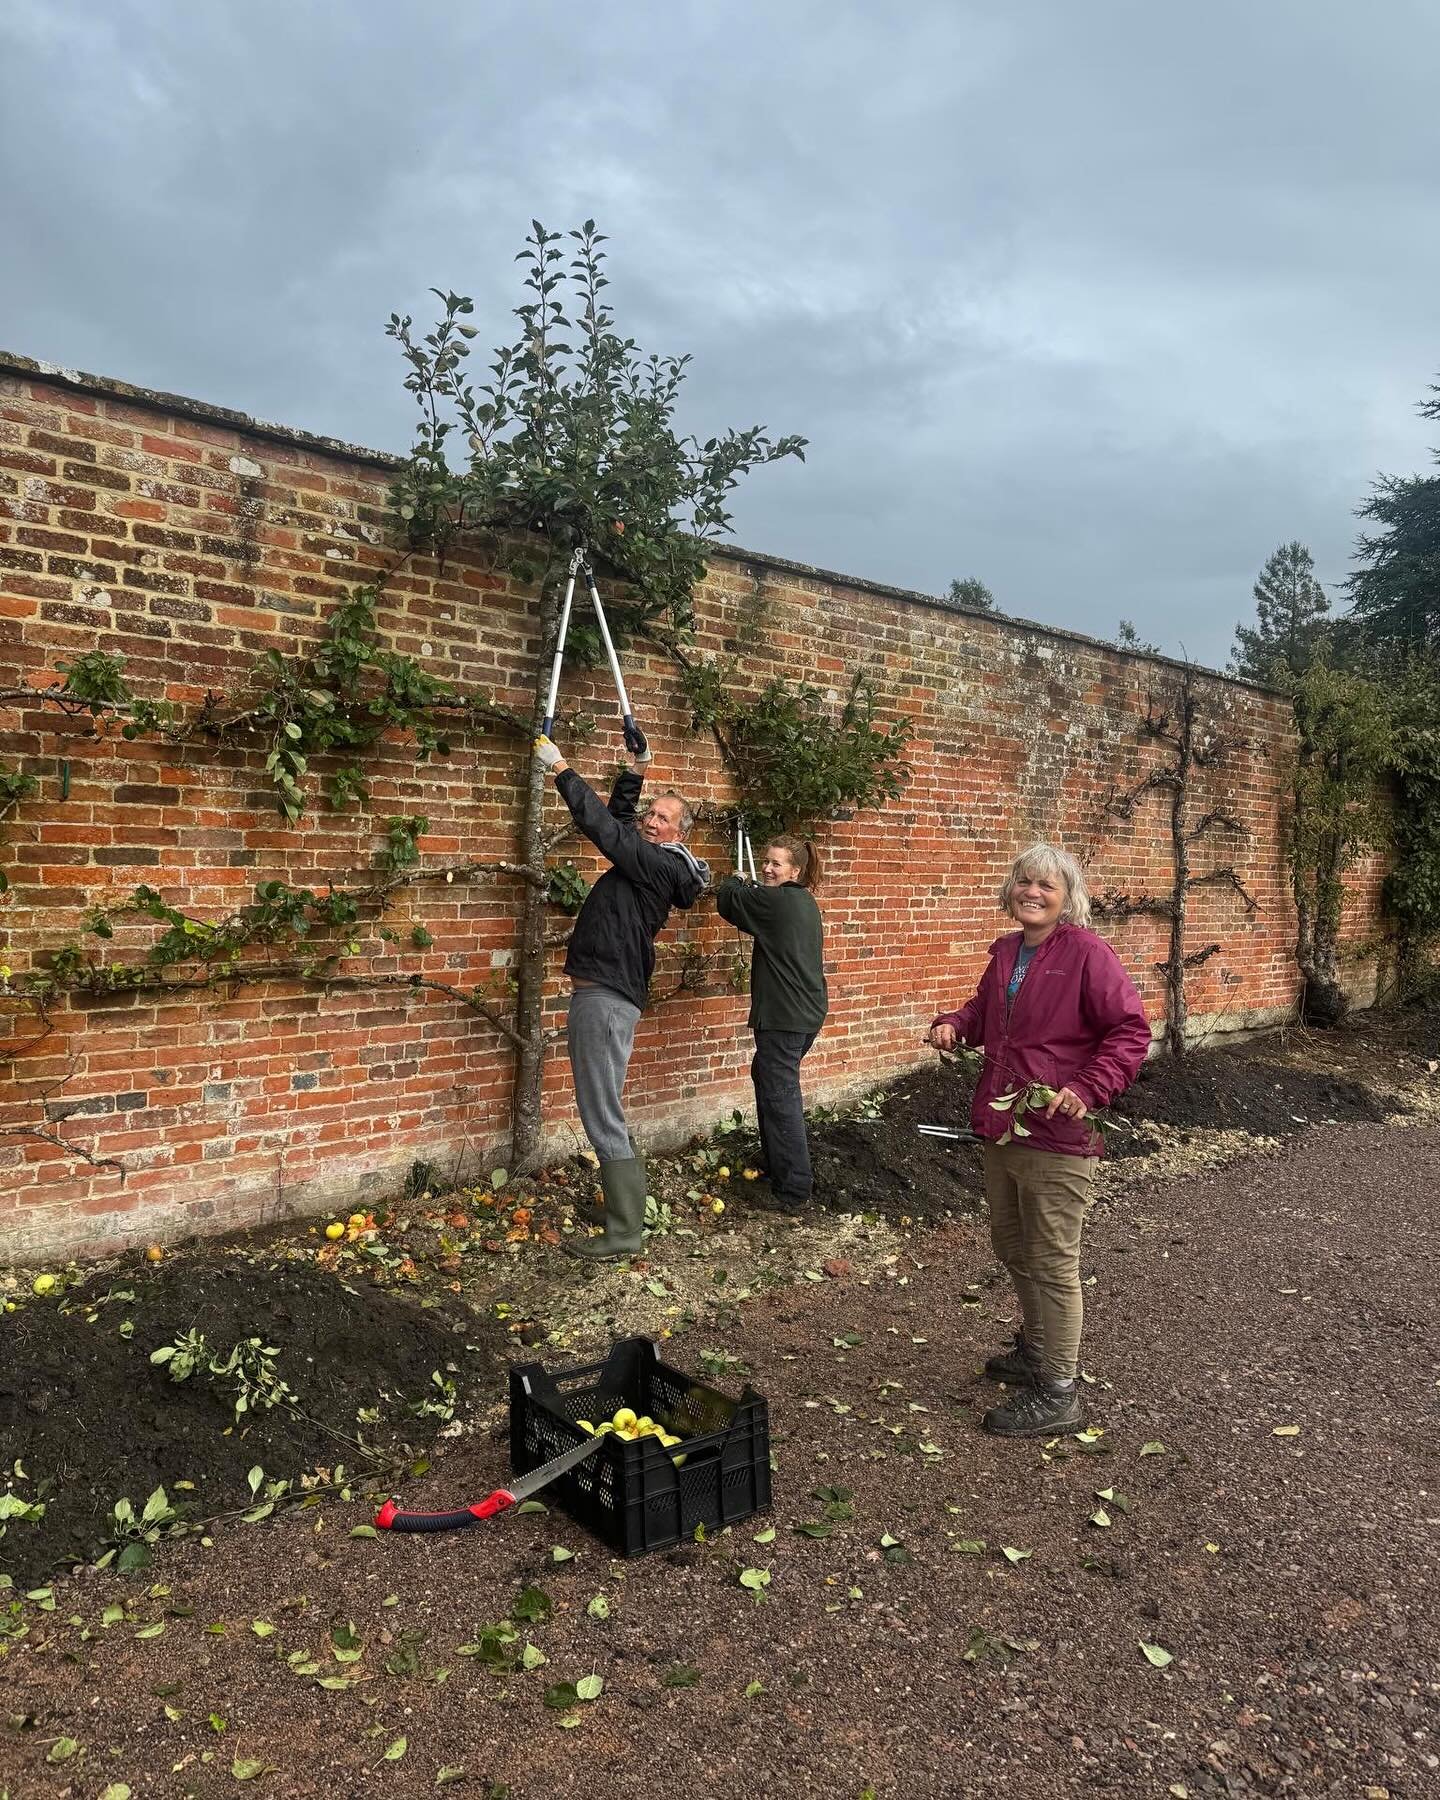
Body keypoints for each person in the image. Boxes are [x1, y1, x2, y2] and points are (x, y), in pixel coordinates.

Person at [928, 843, 1150, 1438]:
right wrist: (955, 1024)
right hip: (1004, 1123)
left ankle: (1058, 1391)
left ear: (1066, 896)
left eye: (1046, 885)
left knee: (1052, 1261)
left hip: (1056, 1131)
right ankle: (1037, 1349)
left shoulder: (1086, 954)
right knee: (1012, 1245)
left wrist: (1088, 1087)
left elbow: (1129, 1031)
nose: (1032, 892)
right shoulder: (1006, 952)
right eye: (1024, 881)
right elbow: (986, 1013)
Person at [534, 733, 710, 1260]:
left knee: (600, 1109)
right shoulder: (651, 861)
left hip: (608, 999)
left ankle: (624, 1230)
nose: (650, 821)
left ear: (679, 833)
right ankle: (622, 1208)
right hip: (605, 994)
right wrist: (638, 766)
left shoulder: (660, 865)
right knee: (602, 1105)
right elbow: (619, 822)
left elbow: (607, 830)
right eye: (650, 814)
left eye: (662, 817)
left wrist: (562, 769)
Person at [715, 835, 828, 1206]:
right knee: (767, 1079)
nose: (766, 868)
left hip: (785, 1017)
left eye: (776, 864)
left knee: (781, 1097)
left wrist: (734, 878)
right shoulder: (801, 901)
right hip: (802, 1014)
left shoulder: (778, 900)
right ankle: (777, 1164)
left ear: (794, 871)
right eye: (765, 861)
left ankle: (793, 1190)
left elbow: (728, 901)